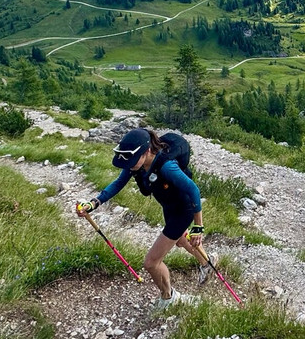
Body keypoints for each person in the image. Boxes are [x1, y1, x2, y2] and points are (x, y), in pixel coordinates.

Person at [76, 127, 210, 309]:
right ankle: (207, 263)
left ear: (147, 151)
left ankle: (169, 298)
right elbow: (118, 183)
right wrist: (94, 203)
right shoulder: (135, 165)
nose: (129, 165)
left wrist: (198, 227)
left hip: (183, 210)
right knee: (180, 240)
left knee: (151, 263)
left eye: (132, 160)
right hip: (169, 206)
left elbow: (193, 189)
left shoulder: (166, 166)